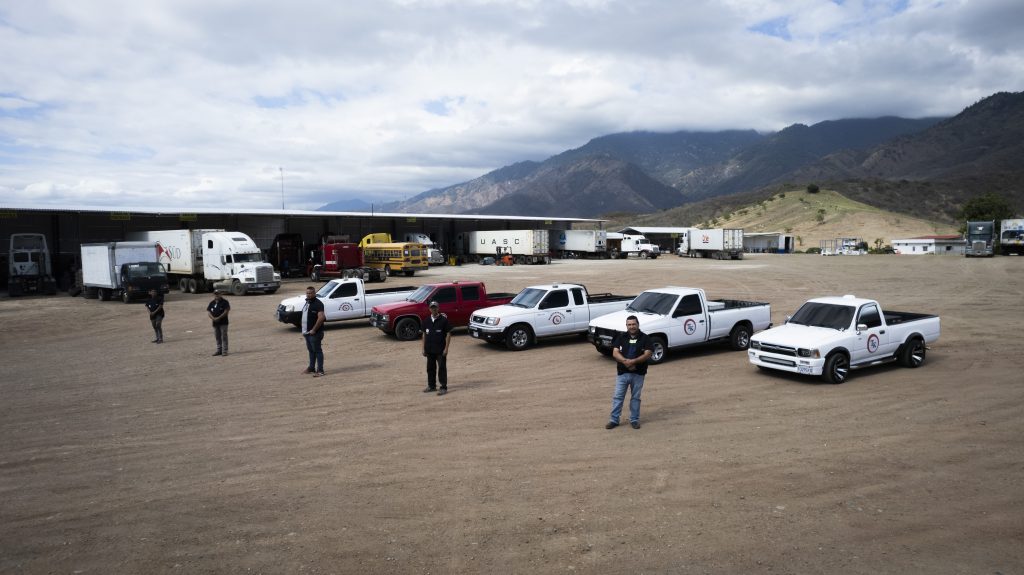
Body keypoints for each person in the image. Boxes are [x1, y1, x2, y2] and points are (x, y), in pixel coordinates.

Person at [606, 315, 653, 430]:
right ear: (626, 325)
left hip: (638, 373)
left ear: (638, 324)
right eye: (629, 324)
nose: (632, 326)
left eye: (633, 324)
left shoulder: (645, 338)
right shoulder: (621, 337)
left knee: (636, 397)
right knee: (618, 397)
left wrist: (634, 362)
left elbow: (648, 353)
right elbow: (615, 352)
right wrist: (626, 362)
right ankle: (614, 420)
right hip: (622, 373)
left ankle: (634, 420)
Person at [422, 300, 451, 395]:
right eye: (432, 308)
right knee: (430, 368)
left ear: (438, 308)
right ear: (429, 309)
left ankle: (443, 387)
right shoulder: (426, 321)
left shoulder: (443, 320)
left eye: (435, 307)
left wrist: (446, 348)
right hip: (429, 349)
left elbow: (448, 334)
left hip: (440, 350)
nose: (434, 309)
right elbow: (424, 334)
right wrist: (423, 348)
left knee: (442, 368)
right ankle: (431, 386)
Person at [301, 286, 326, 376]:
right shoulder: (307, 302)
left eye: (310, 293)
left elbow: (321, 317)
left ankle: (320, 371)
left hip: (315, 333)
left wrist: (314, 330)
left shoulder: (318, 304)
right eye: (307, 293)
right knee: (311, 351)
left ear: (314, 293)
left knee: (317, 351)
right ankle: (311, 368)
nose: (308, 295)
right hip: (307, 333)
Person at [207, 289, 230, 356]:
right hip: (215, 323)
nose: (216, 295)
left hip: (223, 322)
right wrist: (213, 318)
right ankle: (219, 350)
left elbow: (226, 311)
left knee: (224, 336)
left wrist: (219, 317)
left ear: (221, 294)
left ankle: (224, 351)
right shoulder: (212, 303)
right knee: (217, 337)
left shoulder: (225, 302)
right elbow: (209, 312)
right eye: (215, 294)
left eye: (218, 294)